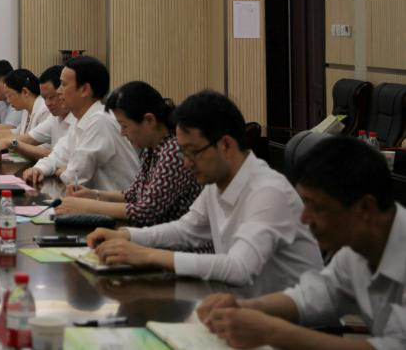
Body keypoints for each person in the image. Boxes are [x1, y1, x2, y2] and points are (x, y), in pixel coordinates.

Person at [87, 90, 322, 290]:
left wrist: (147, 255)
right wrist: (126, 235)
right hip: (240, 307)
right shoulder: (216, 185)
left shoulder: (269, 192)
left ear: (226, 145)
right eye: (183, 152)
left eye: (193, 152)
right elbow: (186, 230)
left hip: (287, 321)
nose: (186, 163)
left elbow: (239, 268)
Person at [197, 136, 406, 350]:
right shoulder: (354, 253)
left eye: (318, 208)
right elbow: (311, 297)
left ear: (365, 207)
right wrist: (244, 307)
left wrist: (271, 332)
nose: (304, 219)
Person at [54, 81, 203, 228]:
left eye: (124, 126)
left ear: (149, 120)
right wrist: (93, 195)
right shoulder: (151, 148)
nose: (122, 133)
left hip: (170, 240)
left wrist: (87, 206)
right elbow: (132, 195)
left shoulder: (173, 151)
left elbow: (146, 211)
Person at [24, 56, 140, 192]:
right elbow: (57, 156)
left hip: (115, 203)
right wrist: (39, 169)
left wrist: (64, 171)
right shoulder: (81, 119)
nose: (59, 91)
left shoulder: (100, 121)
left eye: (63, 84)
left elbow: (74, 176)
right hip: (93, 200)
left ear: (84, 89)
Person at [0, 68, 72, 162]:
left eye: (51, 97)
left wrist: (11, 143)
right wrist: (6, 141)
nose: (47, 103)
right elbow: (29, 137)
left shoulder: (45, 110)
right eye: (44, 98)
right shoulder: (53, 117)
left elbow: (53, 155)